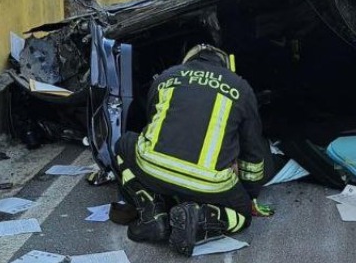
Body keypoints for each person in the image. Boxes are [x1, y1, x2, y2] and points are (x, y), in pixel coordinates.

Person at [114, 44, 271, 257]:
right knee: (242, 216)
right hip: (209, 184)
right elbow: (252, 150)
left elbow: (151, 125)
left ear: (188, 61)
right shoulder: (240, 88)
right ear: (225, 65)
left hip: (154, 171)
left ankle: (153, 214)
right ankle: (199, 218)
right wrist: (247, 193)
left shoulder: (165, 78)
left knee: (124, 143)